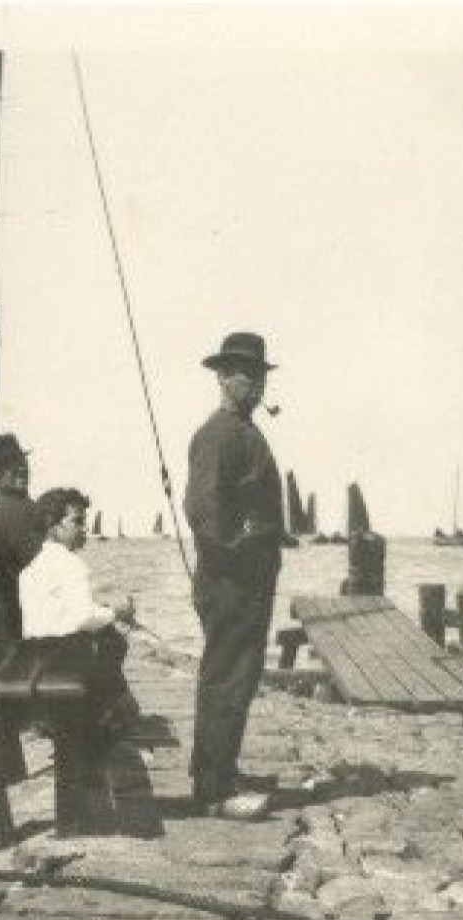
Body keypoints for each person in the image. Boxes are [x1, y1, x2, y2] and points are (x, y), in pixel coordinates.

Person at [185, 332, 284, 819]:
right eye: (248, 373)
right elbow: (203, 511)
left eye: (262, 373)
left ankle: (221, 771)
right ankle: (213, 791)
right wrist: (241, 546)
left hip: (250, 578)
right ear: (223, 376)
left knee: (239, 677)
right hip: (231, 580)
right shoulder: (218, 434)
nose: (258, 382)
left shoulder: (244, 430)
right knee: (226, 677)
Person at [19, 486, 141, 738]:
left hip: (35, 655)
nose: (84, 528)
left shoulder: (34, 564)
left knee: (104, 633)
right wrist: (116, 613)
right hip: (63, 659)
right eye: (77, 521)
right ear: (53, 525)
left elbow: (62, 614)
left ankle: (109, 708)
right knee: (112, 640)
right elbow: (83, 617)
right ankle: (108, 712)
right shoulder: (70, 563)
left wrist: (105, 610)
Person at [0, 434, 43, 639]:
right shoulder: (14, 512)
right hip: (29, 622)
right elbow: (43, 568)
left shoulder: (7, 510)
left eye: (22, 461)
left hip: (19, 617)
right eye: (9, 465)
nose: (21, 468)